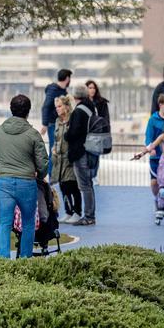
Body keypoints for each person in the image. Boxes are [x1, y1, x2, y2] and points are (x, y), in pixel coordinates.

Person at [0, 95, 48, 256]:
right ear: (28, 111)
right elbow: (43, 162)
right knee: (28, 223)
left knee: (4, 223)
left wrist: (1, 171)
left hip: (4, 183)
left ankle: (4, 260)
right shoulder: (33, 134)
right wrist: (39, 176)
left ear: (10, 109)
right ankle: (25, 259)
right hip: (27, 183)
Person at [65, 84, 98, 226]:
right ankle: (90, 214)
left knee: (84, 185)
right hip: (91, 150)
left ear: (74, 96)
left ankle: (89, 216)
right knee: (88, 184)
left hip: (80, 152)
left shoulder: (78, 111)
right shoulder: (92, 107)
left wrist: (66, 133)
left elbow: (73, 133)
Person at [51, 94, 82, 223]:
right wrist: (53, 148)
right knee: (63, 186)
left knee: (72, 185)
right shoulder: (58, 121)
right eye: (56, 107)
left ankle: (77, 212)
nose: (57, 109)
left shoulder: (73, 119)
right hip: (58, 159)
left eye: (59, 106)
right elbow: (56, 138)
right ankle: (68, 212)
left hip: (70, 158)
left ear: (66, 106)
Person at [145, 95, 164, 208]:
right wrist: (150, 148)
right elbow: (148, 136)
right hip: (155, 157)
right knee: (154, 183)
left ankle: (163, 203)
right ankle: (156, 198)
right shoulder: (153, 119)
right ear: (161, 105)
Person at [40, 68, 71, 175]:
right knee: (54, 150)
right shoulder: (53, 90)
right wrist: (44, 124)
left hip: (61, 123)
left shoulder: (62, 91)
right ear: (67, 78)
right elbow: (46, 107)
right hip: (53, 124)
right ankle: (51, 177)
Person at [84, 80, 109, 182]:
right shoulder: (83, 102)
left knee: (96, 155)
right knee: (86, 156)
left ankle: (94, 176)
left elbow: (106, 118)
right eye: (90, 88)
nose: (92, 90)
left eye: (94, 88)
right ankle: (87, 176)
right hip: (85, 134)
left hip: (98, 133)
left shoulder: (101, 102)